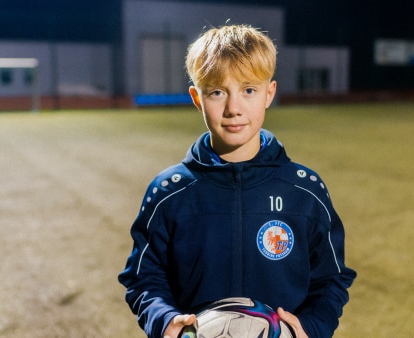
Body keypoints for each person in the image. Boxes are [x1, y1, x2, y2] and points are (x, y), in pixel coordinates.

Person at [118, 24, 356, 338]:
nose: (233, 108)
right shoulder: (169, 192)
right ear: (197, 98)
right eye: (217, 92)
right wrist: (164, 320)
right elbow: (144, 278)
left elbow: (332, 279)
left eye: (249, 90)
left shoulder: (305, 190)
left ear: (269, 94)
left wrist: (311, 327)